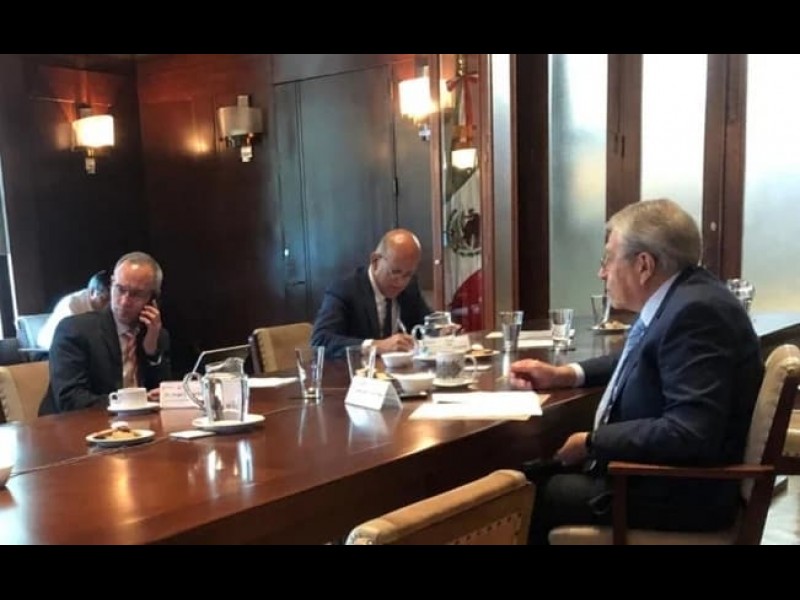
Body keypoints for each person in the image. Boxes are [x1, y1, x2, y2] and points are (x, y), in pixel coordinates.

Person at [509, 198, 763, 544]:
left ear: (644, 264)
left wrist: (593, 442)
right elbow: (641, 356)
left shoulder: (695, 314)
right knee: (531, 473)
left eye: (608, 259)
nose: (602, 273)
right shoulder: (688, 295)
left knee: (522, 493)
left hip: (679, 493)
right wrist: (566, 374)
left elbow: (689, 432)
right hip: (673, 480)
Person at [38, 251, 172, 415]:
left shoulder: (156, 334)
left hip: (135, 424)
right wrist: (132, 401)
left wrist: (151, 352)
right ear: (111, 284)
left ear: (152, 299)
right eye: (120, 289)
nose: (124, 301)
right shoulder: (75, 330)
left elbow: (163, 395)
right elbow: (70, 399)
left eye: (136, 294)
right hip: (75, 424)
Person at [311, 228, 433, 359]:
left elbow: (426, 325)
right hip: (356, 370)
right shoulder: (345, 289)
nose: (401, 282)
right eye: (395, 272)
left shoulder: (410, 287)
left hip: (400, 369)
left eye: (408, 274)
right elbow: (320, 340)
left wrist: (440, 330)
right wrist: (376, 346)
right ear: (375, 261)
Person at [36, 270, 112, 350]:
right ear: (92, 292)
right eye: (105, 299)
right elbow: (73, 335)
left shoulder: (109, 307)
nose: (108, 305)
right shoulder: (72, 304)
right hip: (51, 347)